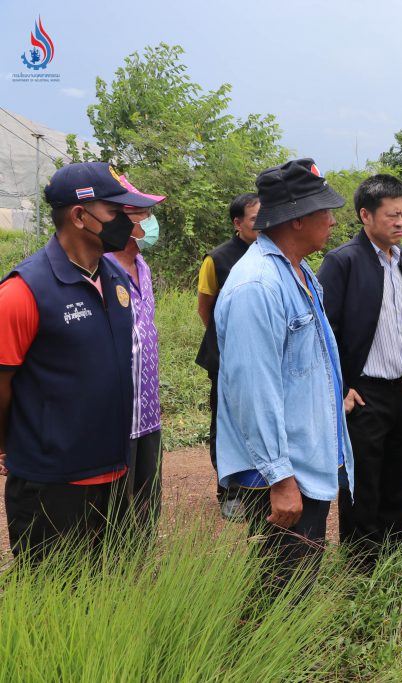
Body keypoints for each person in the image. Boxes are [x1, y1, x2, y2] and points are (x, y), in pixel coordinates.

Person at [0, 162, 159, 561]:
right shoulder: (23, 293)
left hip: (116, 473)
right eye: (116, 212)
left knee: (113, 595)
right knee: (53, 604)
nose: (130, 223)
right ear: (79, 216)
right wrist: (8, 446)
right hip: (53, 485)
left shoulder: (117, 279)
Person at [215, 158, 353, 599]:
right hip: (282, 470)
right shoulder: (257, 286)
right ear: (295, 219)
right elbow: (253, 391)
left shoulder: (298, 271)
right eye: (324, 211)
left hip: (303, 457)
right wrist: (280, 479)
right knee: (281, 592)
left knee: (296, 578)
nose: (332, 220)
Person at [318, 174, 402, 570]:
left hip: (400, 390)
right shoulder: (342, 261)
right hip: (363, 395)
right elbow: (325, 331)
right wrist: (342, 387)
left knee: (399, 480)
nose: (400, 222)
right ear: (365, 215)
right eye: (392, 214)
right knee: (363, 487)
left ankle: (393, 563)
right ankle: (360, 570)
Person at [105, 176, 167, 537]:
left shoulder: (142, 267)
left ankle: (141, 570)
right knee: (115, 510)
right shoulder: (102, 269)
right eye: (144, 214)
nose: (150, 222)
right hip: (117, 417)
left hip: (147, 414)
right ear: (123, 221)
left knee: (147, 501)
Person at [195, 193, 260, 519]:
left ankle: (259, 485)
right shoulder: (217, 259)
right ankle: (229, 492)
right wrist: (227, 340)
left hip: (261, 357)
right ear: (237, 224)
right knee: (227, 422)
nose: (262, 225)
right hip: (225, 358)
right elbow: (205, 308)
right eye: (253, 220)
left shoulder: (273, 252)